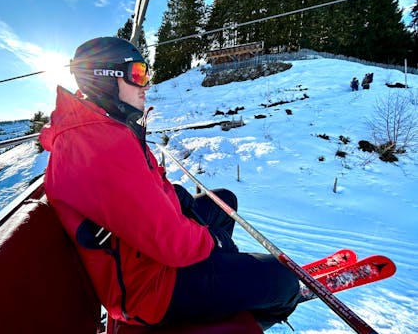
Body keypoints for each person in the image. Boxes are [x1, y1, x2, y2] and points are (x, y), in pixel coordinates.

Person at [39, 37, 300, 330]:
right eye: (138, 74)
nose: (146, 85)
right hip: (149, 289)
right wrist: (212, 240)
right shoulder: (102, 143)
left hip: (138, 257)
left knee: (223, 202)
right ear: (105, 78)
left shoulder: (100, 128)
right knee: (283, 280)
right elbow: (170, 242)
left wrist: (177, 198)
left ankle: (225, 284)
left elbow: (139, 197)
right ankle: (231, 321)